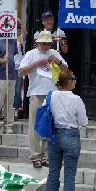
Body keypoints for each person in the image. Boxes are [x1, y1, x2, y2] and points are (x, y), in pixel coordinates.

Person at [18, 30, 68, 168]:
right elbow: (20, 72)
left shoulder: (54, 54)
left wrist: (57, 62)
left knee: (49, 126)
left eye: (48, 43)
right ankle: (35, 155)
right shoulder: (30, 54)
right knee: (34, 125)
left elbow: (66, 70)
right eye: (43, 43)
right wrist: (37, 63)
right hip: (36, 93)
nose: (46, 46)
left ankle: (46, 155)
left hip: (52, 94)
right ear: (38, 43)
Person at [44, 67, 88, 191]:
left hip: (54, 135)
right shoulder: (75, 98)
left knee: (52, 175)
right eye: (74, 79)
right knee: (69, 176)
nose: (75, 81)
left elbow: (45, 114)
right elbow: (84, 121)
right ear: (69, 81)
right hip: (70, 134)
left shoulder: (50, 96)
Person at [0, 36, 17, 136]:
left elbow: (15, 55)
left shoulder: (13, 41)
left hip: (12, 75)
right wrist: (2, 60)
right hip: (0, 75)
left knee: (9, 102)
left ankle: (8, 126)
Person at [13, 21, 26, 119]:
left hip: (19, 68)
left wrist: (19, 21)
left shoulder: (21, 39)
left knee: (17, 90)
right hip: (9, 67)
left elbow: (25, 32)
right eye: (16, 28)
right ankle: (7, 110)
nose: (18, 30)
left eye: (19, 28)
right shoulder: (8, 38)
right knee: (9, 90)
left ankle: (16, 110)